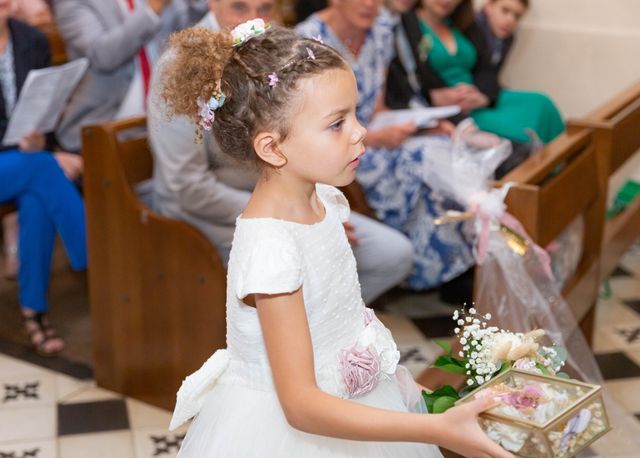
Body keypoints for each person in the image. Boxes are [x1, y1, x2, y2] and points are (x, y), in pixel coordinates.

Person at [160, 21, 520, 458]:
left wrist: (399, 387)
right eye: (337, 123)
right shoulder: (271, 248)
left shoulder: (323, 199)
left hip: (357, 396)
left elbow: (342, 315)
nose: (361, 131)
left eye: (355, 114)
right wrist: (436, 430)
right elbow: (302, 406)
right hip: (292, 440)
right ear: (272, 148)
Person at [148, 0, 414, 304]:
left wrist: (312, 205)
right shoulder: (182, 64)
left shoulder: (267, 49)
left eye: (264, 8)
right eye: (239, 7)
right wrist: (291, 215)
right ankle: (281, 333)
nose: (253, 20)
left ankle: (320, 327)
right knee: (302, 259)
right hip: (201, 214)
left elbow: (297, 140)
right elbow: (185, 186)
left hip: (279, 191)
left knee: (392, 253)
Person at [297, 0, 476, 293]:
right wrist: (376, 138)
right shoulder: (309, 40)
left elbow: (376, 111)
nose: (370, 5)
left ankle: (449, 265)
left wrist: (422, 124)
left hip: (369, 135)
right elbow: (308, 129)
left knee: (441, 145)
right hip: (330, 150)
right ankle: (423, 265)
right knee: (421, 160)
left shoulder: (380, 30)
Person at [0, 10, 86, 357]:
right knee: (42, 171)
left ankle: (33, 309)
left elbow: (42, 106)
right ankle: (95, 257)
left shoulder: (29, 38)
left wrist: (42, 144)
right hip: (24, 162)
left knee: (37, 196)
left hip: (23, 159)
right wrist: (49, 156)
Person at [388, 0, 563, 144]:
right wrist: (435, 96)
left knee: (542, 104)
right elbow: (412, 76)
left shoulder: (464, 25)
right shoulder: (406, 25)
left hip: (478, 97)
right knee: (522, 132)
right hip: (448, 107)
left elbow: (487, 69)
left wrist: (482, 96)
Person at [54, 0, 195, 152]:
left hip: (166, 118)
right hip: (105, 124)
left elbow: (191, 27)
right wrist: (152, 10)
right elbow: (102, 55)